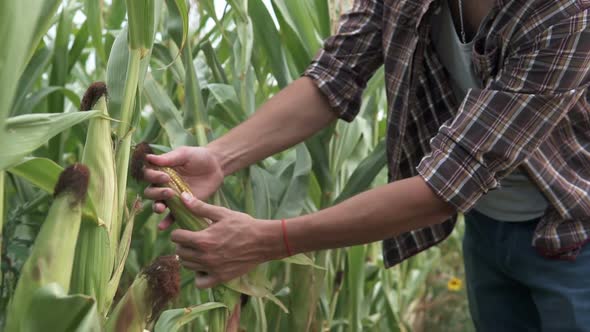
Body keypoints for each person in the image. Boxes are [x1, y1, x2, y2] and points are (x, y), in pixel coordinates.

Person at [143, 0, 590, 330]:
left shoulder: (566, 14)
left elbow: (445, 186)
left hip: (572, 235)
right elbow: (335, 75)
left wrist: (267, 240)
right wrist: (219, 156)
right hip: (487, 226)